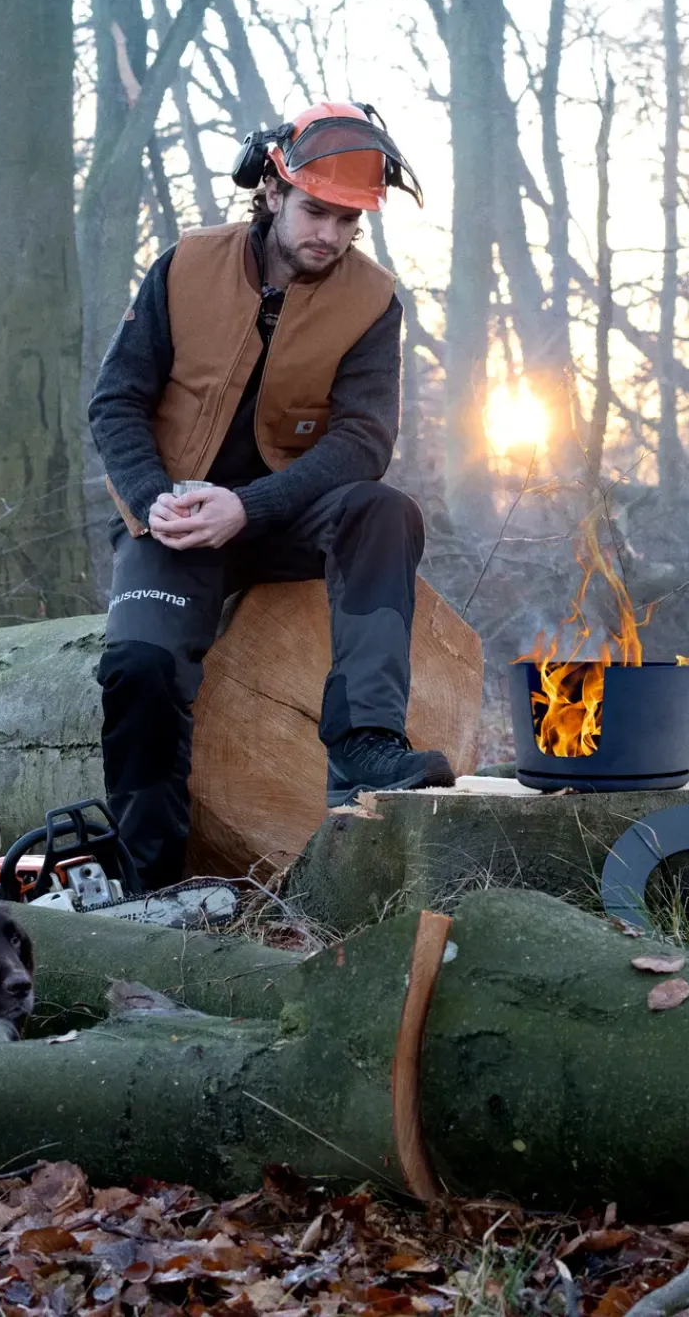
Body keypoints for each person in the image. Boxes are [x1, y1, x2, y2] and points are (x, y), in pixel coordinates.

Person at [88, 101, 456, 890]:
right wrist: (154, 499)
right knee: (140, 667)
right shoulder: (186, 266)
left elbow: (364, 440)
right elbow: (114, 401)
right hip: (177, 519)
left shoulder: (372, 300)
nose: (330, 233)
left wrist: (250, 507)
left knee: (383, 510)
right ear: (272, 192)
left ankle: (365, 744)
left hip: (283, 515)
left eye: (349, 219)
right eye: (317, 210)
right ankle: (147, 881)